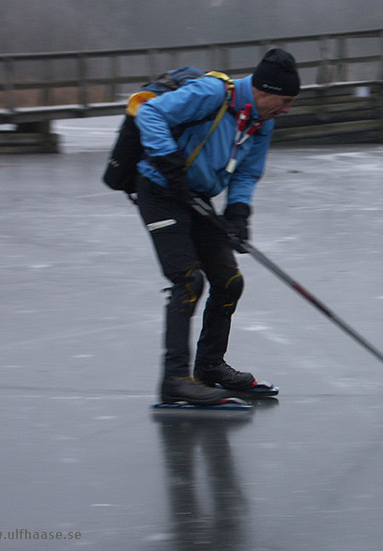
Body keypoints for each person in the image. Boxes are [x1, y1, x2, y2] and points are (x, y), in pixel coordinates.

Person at [135, 48, 300, 405]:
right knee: (189, 280)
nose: (286, 109)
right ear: (263, 90)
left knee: (228, 282)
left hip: (196, 198)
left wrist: (238, 213)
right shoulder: (213, 94)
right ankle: (175, 379)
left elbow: (247, 172)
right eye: (284, 100)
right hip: (160, 189)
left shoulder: (262, 122)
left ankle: (209, 367)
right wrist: (168, 160)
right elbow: (149, 113)